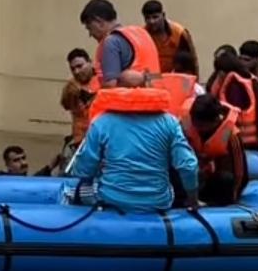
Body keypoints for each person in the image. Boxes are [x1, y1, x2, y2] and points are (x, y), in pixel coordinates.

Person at [70, 87, 199, 212]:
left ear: (118, 90)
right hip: (157, 201)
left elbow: (84, 170)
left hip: (111, 198)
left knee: (68, 191)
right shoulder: (170, 122)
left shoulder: (102, 122)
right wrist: (192, 200)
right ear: (145, 89)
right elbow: (188, 166)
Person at [181, 94, 248, 206]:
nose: (198, 129)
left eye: (202, 126)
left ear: (216, 120)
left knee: (225, 179)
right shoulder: (184, 126)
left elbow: (240, 174)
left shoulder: (231, 136)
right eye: (196, 124)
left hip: (215, 183)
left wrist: (234, 198)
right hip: (192, 179)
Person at [80, 0, 161, 88]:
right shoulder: (142, 34)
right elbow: (158, 76)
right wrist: (144, 78)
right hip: (156, 98)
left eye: (90, 28)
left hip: (129, 101)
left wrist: (126, 80)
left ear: (100, 22)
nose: (90, 34)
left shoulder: (111, 42)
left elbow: (110, 86)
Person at [207, 47, 258, 149]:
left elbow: (231, 112)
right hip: (253, 139)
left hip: (240, 140)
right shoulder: (250, 79)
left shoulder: (234, 85)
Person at [142, 0, 199, 76]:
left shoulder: (179, 33)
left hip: (175, 76)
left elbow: (191, 60)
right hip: (153, 77)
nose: (152, 21)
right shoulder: (142, 34)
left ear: (163, 15)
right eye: (147, 18)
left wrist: (195, 81)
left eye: (155, 17)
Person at [60, 48, 96, 144]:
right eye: (73, 69)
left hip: (101, 138)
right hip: (80, 140)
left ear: (90, 62)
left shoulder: (104, 80)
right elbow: (65, 105)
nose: (76, 71)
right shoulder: (71, 85)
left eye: (80, 66)